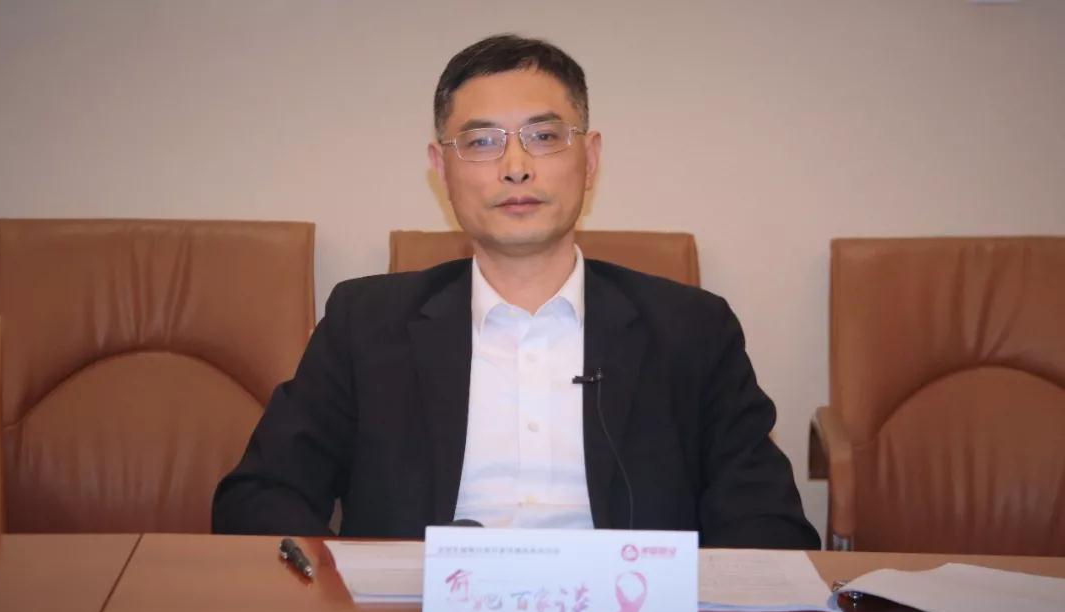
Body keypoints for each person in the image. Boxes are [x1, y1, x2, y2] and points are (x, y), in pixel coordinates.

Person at [212, 34, 820, 549]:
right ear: (441, 168)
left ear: (590, 158)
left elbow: (767, 524)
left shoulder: (692, 329)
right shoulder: (365, 323)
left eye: (544, 136)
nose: (515, 167)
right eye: (481, 142)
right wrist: (341, 596)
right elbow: (261, 496)